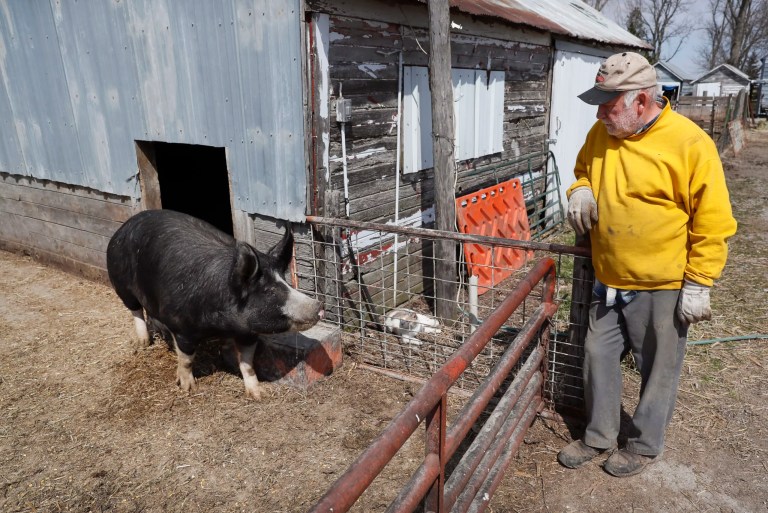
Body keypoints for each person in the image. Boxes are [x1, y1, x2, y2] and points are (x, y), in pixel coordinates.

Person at [557, 52, 737, 477]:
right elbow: (583, 169)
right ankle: (599, 436)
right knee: (596, 355)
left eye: (610, 103)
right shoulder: (602, 133)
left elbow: (714, 220)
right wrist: (579, 190)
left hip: (662, 283)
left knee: (657, 368)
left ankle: (642, 445)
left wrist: (699, 282)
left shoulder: (689, 143)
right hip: (609, 277)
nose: (601, 113)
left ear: (641, 101)